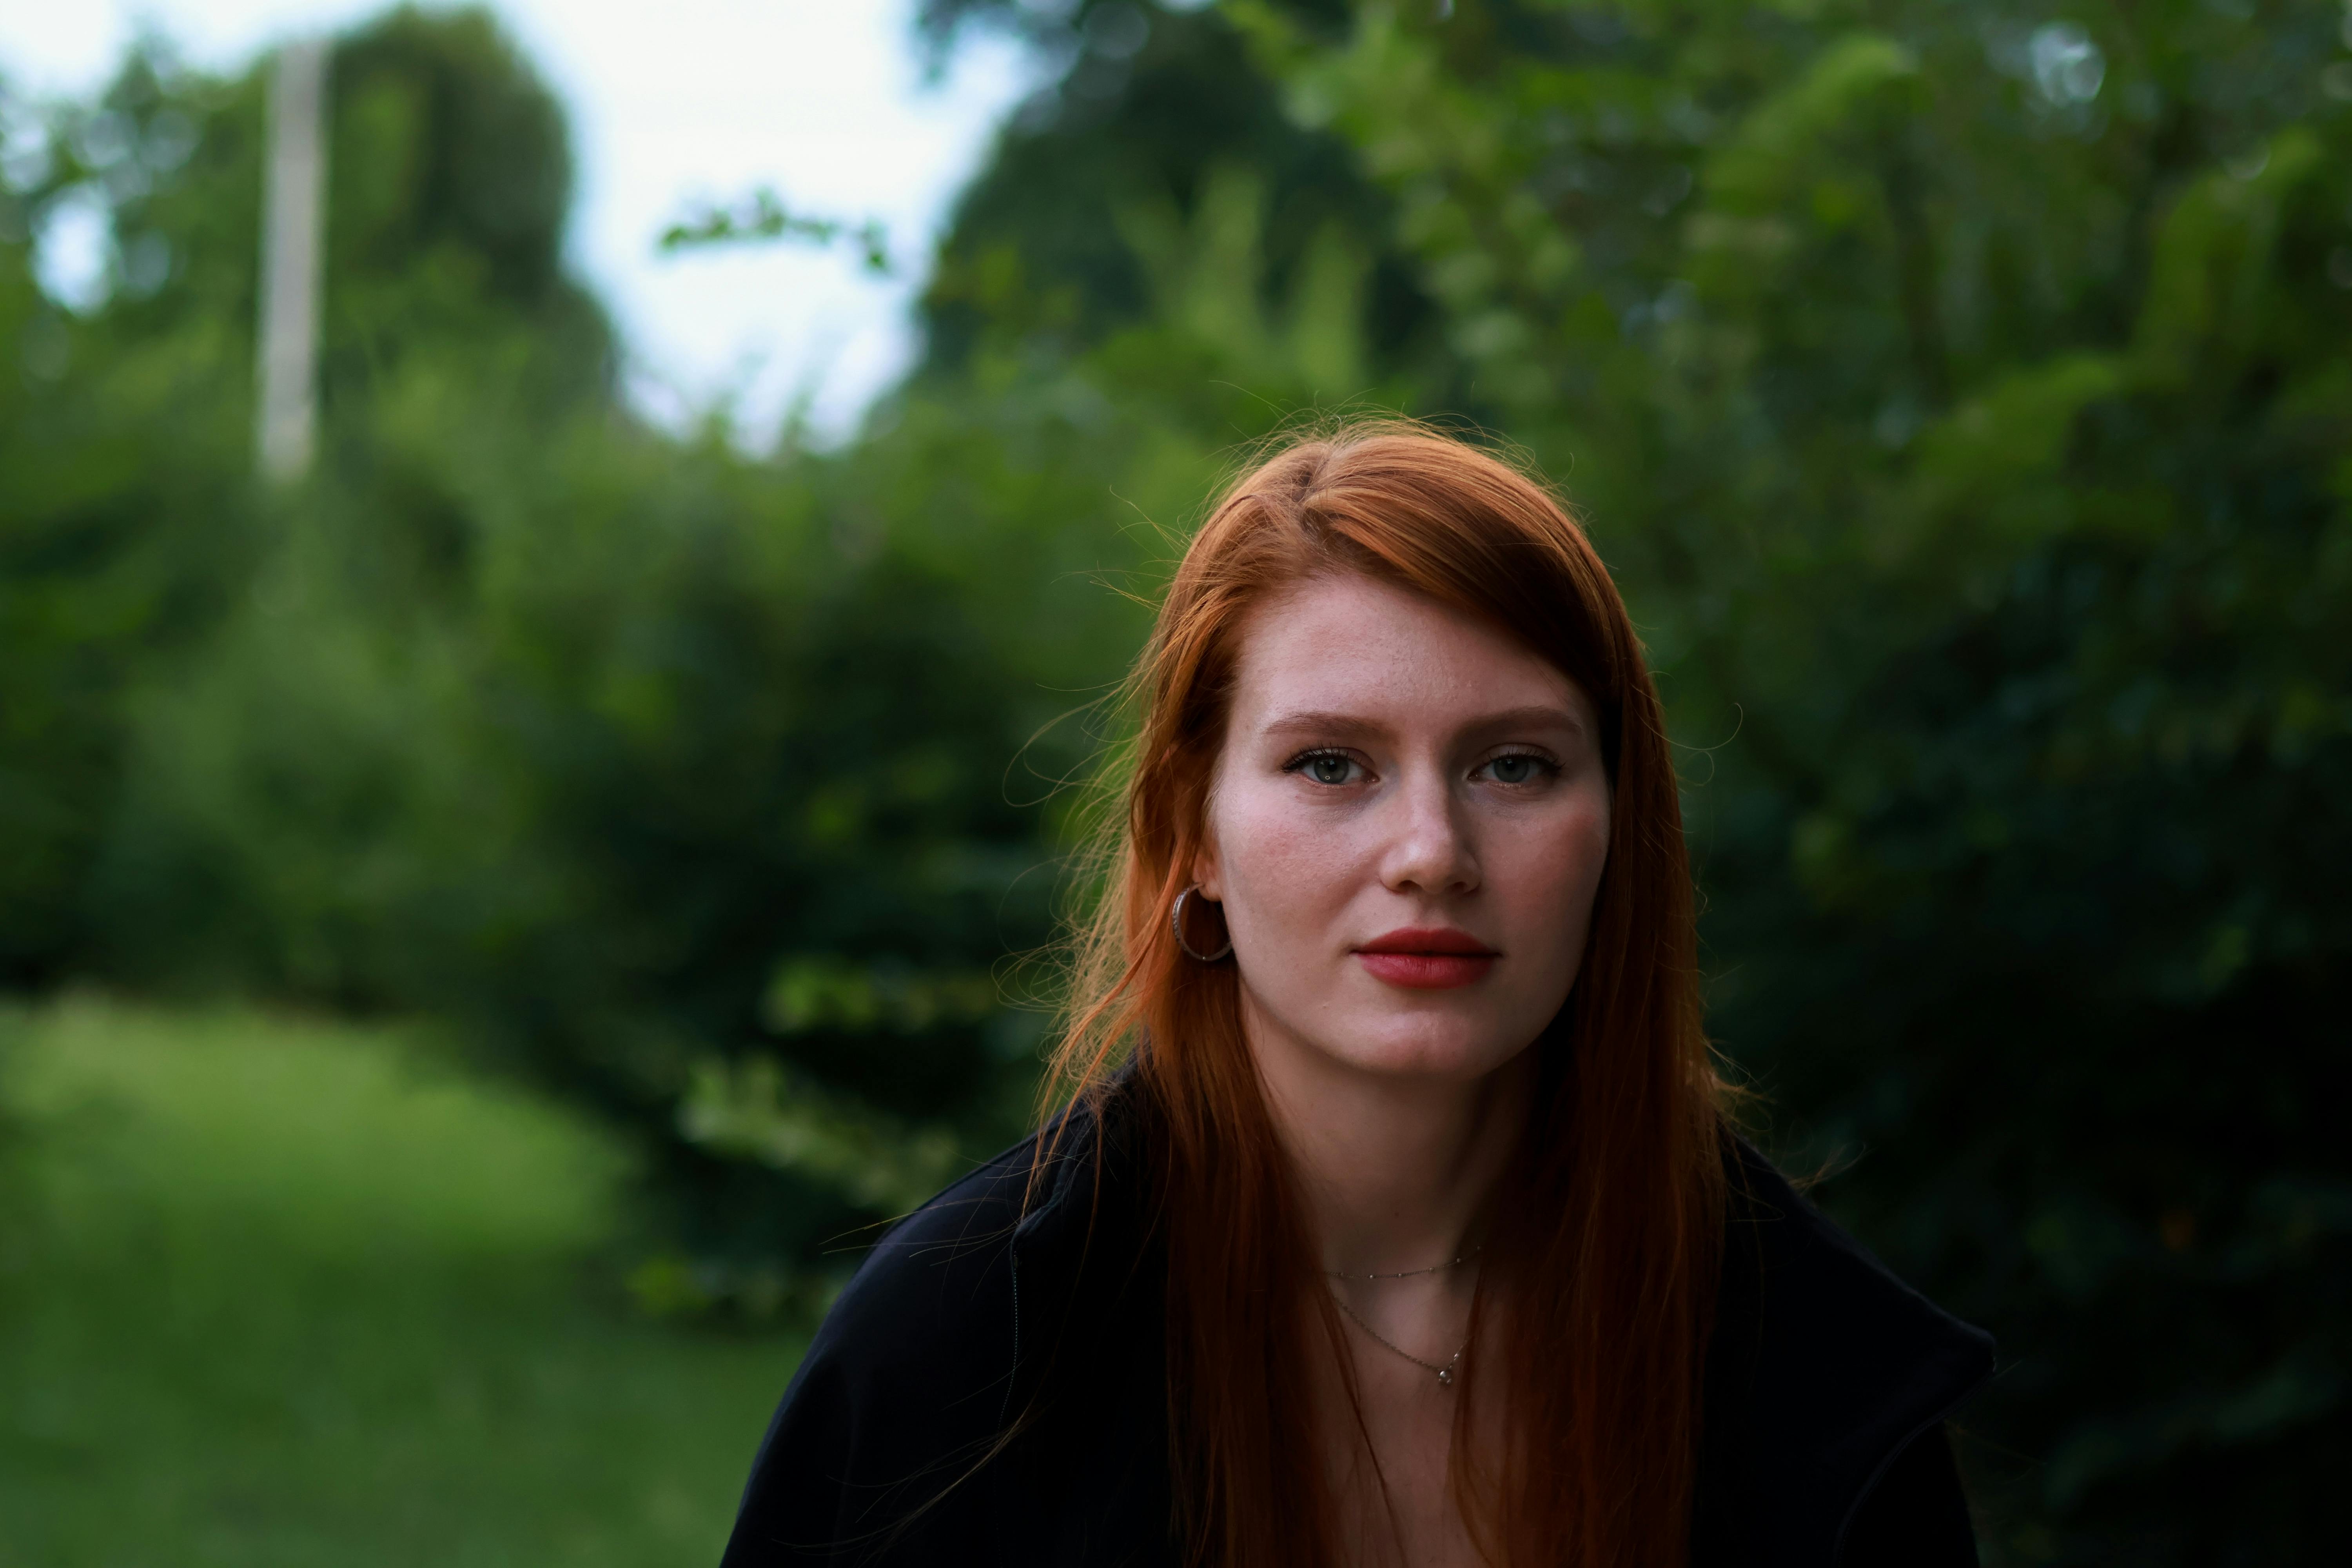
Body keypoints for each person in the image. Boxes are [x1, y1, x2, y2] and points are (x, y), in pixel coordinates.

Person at [719, 423, 1993, 1567]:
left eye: (1514, 765)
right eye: (1333, 764)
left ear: (1621, 832)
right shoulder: (964, 1359)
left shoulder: (1809, 1371)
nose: (1432, 850)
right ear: (1195, 836)